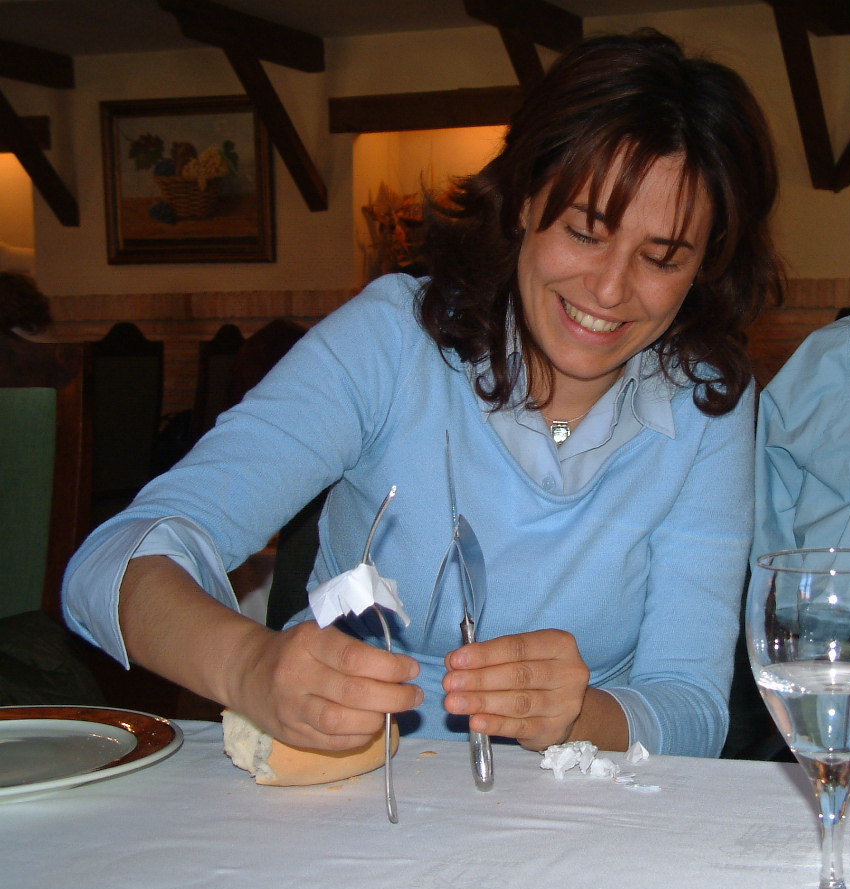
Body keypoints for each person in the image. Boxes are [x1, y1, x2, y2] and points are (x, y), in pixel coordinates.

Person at [63, 29, 783, 759]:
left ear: (705, 266)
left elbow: (692, 707)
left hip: (577, 804)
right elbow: (108, 566)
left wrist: (580, 715)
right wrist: (249, 667)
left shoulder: (709, 403)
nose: (609, 289)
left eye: (661, 259)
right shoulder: (392, 341)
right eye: (585, 233)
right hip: (345, 780)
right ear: (526, 199)